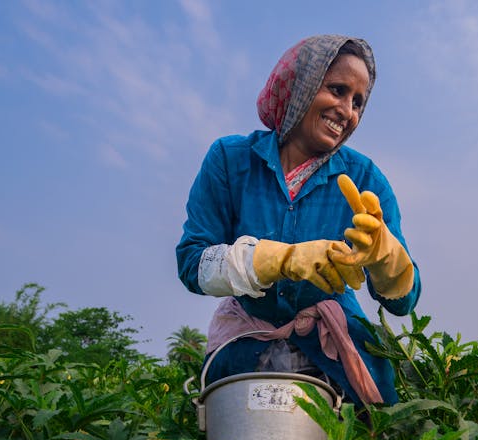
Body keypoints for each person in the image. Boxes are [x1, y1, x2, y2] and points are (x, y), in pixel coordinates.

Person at [176, 34, 420, 406]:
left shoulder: (366, 179)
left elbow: (404, 303)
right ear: (298, 87)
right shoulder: (230, 160)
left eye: (358, 102)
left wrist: (388, 260)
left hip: (336, 358)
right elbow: (192, 264)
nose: (347, 110)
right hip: (243, 352)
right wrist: (276, 261)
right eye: (337, 90)